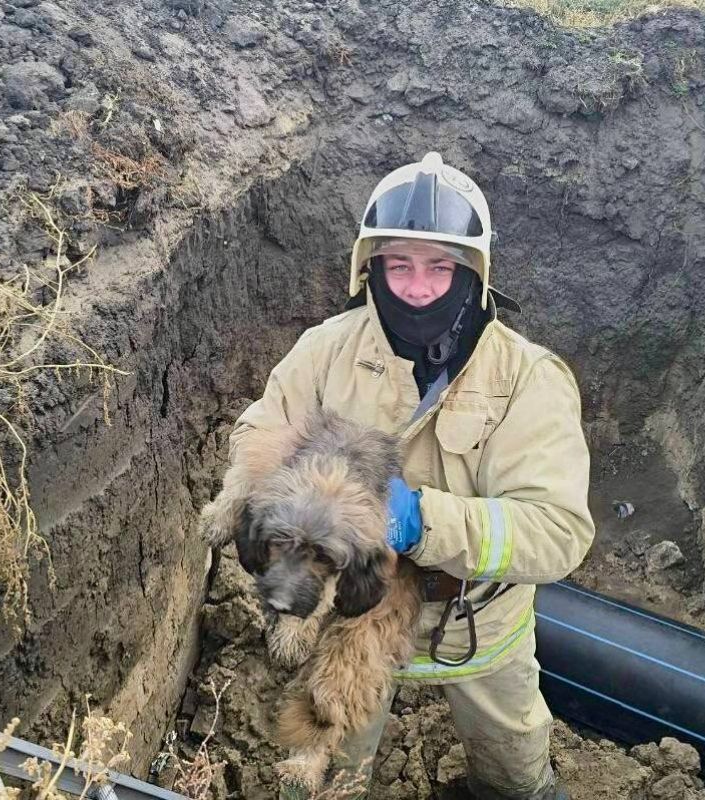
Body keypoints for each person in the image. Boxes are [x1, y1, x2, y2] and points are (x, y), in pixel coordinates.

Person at [229, 152, 595, 799]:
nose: (417, 287)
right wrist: (293, 496)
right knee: (333, 767)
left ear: (473, 273)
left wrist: (420, 520)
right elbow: (256, 437)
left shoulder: (527, 380)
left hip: (479, 624)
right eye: (399, 264)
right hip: (350, 620)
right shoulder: (324, 351)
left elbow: (558, 531)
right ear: (370, 267)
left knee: (515, 770)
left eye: (439, 267)